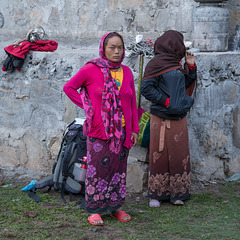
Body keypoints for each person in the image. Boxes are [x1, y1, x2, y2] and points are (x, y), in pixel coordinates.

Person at [63, 32, 139, 225]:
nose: (116, 51)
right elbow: (69, 88)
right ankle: (94, 209)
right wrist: (90, 108)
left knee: (118, 171)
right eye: (112, 47)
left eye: (120, 47)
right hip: (99, 131)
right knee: (97, 171)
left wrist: (134, 130)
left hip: (122, 132)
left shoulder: (127, 72)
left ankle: (115, 207)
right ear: (103, 49)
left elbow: (132, 103)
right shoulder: (91, 69)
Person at [140, 30, 197, 207]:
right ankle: (156, 195)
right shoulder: (155, 64)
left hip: (179, 117)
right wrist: (166, 102)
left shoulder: (178, 65)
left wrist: (191, 67)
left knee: (179, 154)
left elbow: (186, 86)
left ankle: (177, 193)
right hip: (161, 118)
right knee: (159, 154)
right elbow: (146, 89)